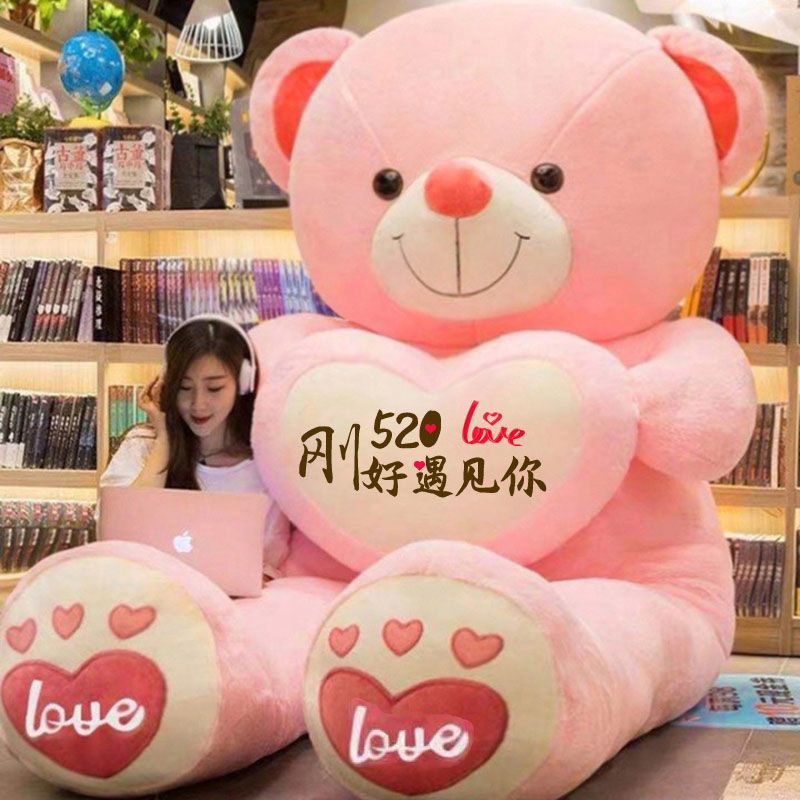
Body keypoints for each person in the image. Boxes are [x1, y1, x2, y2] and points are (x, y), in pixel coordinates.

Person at [100, 314, 290, 577]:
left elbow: (272, 560)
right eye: (184, 387)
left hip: (234, 600)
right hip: (150, 593)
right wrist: (164, 439)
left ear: (243, 384)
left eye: (214, 388)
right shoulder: (141, 447)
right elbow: (117, 537)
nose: (198, 404)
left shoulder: (265, 466)